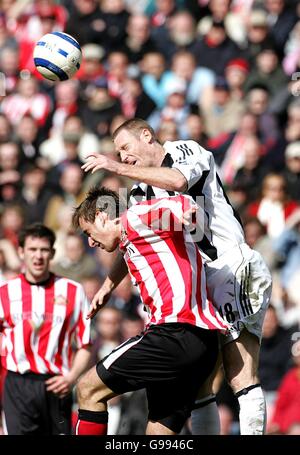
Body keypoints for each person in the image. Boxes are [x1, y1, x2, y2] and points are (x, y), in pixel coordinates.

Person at [82, 118, 272, 435]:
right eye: (119, 153)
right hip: (201, 290)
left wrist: (115, 167)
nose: (125, 156)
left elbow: (178, 182)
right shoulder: (142, 191)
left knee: (241, 374)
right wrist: (107, 286)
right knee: (201, 389)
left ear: (147, 135)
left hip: (231, 266)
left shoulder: (184, 150)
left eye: (125, 148)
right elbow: (128, 238)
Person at [72, 187, 227, 435]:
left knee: (88, 389)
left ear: (102, 216)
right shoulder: (135, 236)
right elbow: (126, 250)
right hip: (202, 342)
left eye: (89, 232)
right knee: (158, 433)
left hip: (173, 334)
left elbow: (177, 203)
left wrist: (185, 210)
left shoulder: (132, 217)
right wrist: (108, 286)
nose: (90, 241)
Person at [0, 223, 91, 435]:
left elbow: (85, 344)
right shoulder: (4, 292)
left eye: (44, 250)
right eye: (32, 249)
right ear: (21, 252)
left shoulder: (73, 291)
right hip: (18, 384)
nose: (38, 256)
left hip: (57, 384)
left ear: (53, 253)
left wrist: (71, 377)